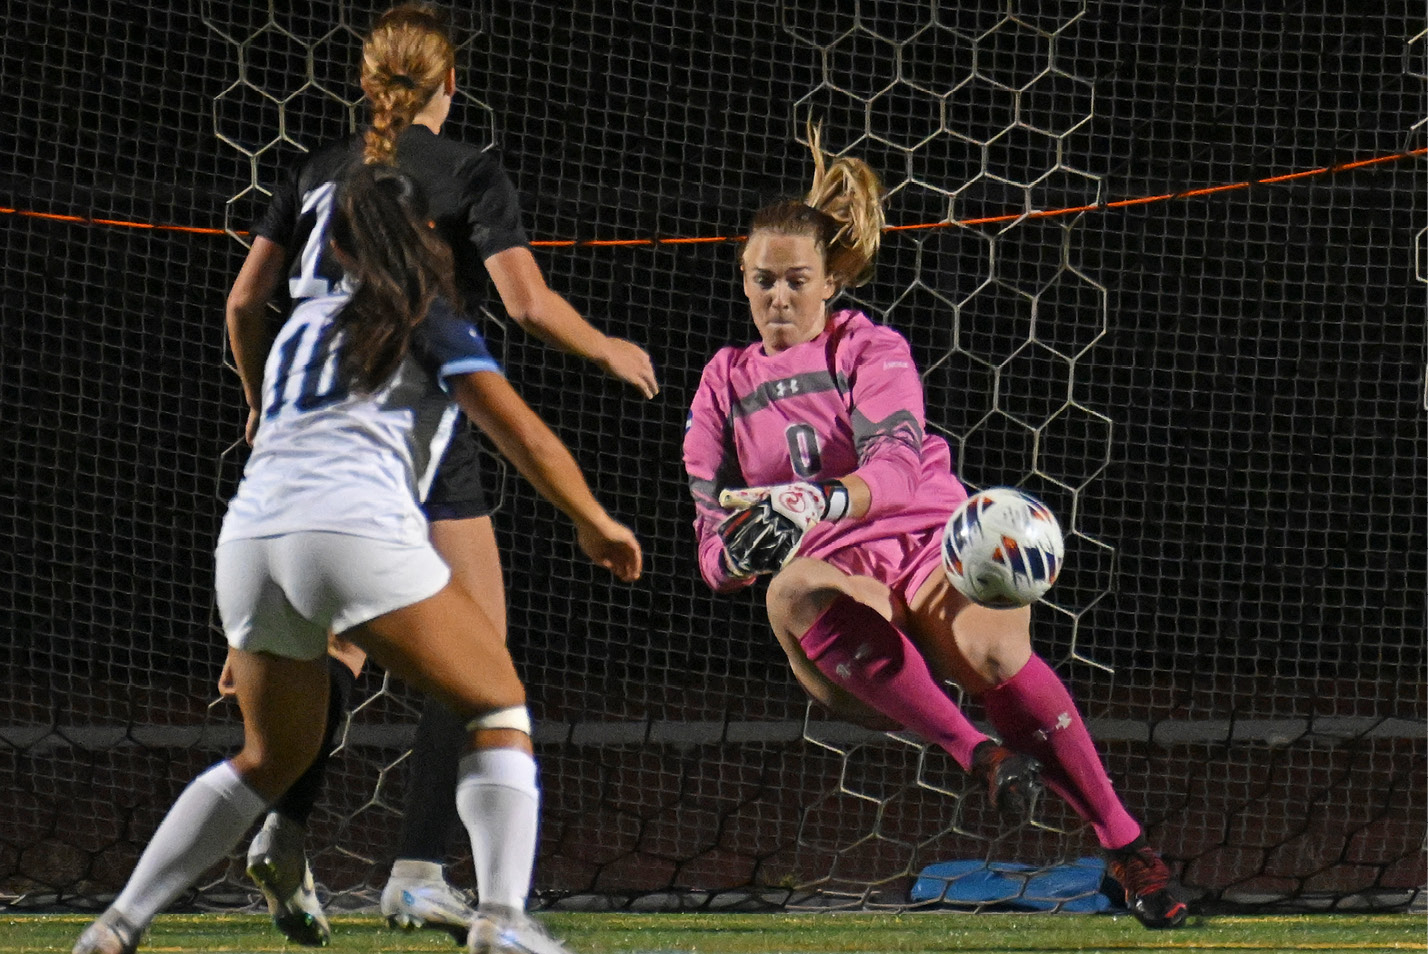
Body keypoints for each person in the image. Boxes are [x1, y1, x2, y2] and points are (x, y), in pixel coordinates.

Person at [72, 163, 634, 954]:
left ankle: (116, 924)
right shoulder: (425, 316)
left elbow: (268, 401)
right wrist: (594, 520)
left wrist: (246, 629)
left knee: (269, 757)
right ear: (427, 240)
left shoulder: (297, 328)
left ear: (328, 244)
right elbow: (524, 435)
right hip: (348, 535)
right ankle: (501, 921)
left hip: (248, 544)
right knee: (498, 707)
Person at [218, 2, 660, 945]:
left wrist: (262, 405)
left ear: (367, 85)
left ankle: (286, 828)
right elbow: (527, 304)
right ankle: (418, 873)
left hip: (314, 442)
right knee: (481, 662)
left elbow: (245, 299)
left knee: (329, 646)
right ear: (449, 85)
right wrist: (608, 347)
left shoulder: (313, 170)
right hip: (418, 425)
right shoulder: (467, 171)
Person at [681, 127, 1188, 931]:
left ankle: (1125, 848)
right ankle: (975, 752)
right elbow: (713, 549)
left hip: (928, 546)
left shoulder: (871, 348)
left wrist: (817, 501)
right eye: (762, 281)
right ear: (742, 282)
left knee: (993, 652)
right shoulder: (721, 384)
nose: (778, 297)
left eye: (795, 280)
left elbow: (893, 472)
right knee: (789, 584)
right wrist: (736, 553)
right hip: (846, 601)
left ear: (831, 279)